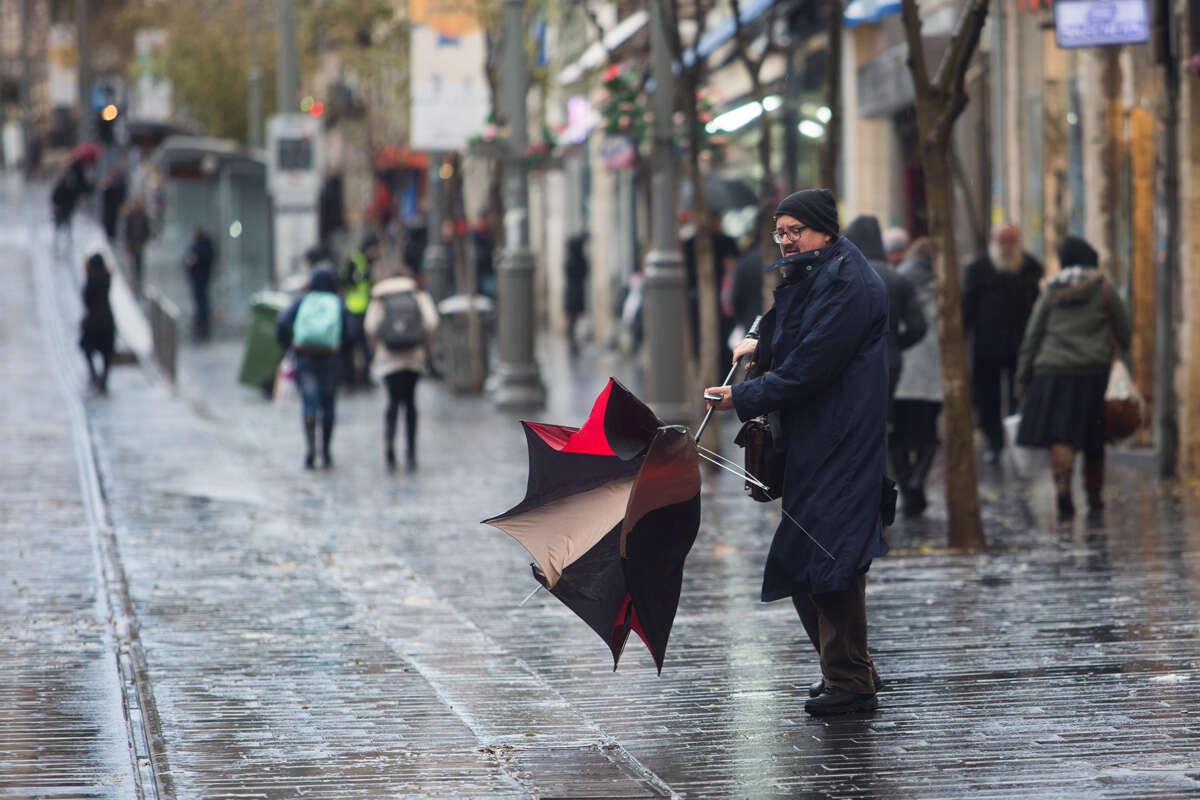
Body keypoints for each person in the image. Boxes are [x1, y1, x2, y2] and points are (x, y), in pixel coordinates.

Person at [705, 188, 892, 717]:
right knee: (810, 555)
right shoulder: (820, 270)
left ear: (825, 230)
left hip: (841, 439)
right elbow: (796, 335)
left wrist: (743, 396)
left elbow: (812, 365)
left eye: (795, 231)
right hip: (816, 437)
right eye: (780, 232)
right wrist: (760, 348)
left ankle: (850, 679)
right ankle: (848, 669)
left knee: (827, 557)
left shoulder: (848, 283)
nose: (785, 241)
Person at [1016, 237, 1131, 520]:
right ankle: (1094, 495)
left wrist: (1024, 375)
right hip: (1094, 372)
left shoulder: (1050, 291)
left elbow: (1033, 335)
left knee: (1061, 435)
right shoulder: (1103, 288)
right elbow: (1124, 327)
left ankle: (1063, 488)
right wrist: (1117, 353)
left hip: (1053, 373)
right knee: (1094, 437)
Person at [962, 224, 1043, 464]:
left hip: (1021, 345)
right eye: (1003, 241)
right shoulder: (977, 268)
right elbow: (968, 306)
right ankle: (994, 442)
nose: (1007, 246)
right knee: (987, 397)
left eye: (1011, 241)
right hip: (986, 345)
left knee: (1021, 393)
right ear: (993, 241)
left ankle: (1019, 441)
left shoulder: (1031, 267)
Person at [276, 265, 355, 469]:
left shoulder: (302, 300)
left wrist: (289, 345)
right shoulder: (337, 302)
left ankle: (311, 448)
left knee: (309, 402)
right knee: (328, 403)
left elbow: (282, 323)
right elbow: (351, 331)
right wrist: (341, 350)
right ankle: (326, 451)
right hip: (331, 358)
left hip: (305, 357)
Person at [364, 266, 439, 471]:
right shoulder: (418, 295)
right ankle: (411, 451)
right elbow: (432, 322)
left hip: (388, 358)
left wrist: (378, 345)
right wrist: (424, 343)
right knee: (410, 402)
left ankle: (389, 445)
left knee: (393, 401)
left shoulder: (380, 297)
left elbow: (370, 327)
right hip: (414, 357)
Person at [844, 215, 926, 400]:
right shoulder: (898, 278)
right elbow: (918, 327)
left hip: (853, 362)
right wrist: (895, 343)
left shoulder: (845, 277)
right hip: (889, 360)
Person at [891, 238, 941, 515]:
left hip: (902, 372)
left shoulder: (895, 280)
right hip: (933, 373)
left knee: (897, 434)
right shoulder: (942, 285)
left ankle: (907, 483)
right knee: (928, 433)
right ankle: (917, 479)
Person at [683, 211, 740, 372]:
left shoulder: (726, 242)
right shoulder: (691, 244)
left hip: (722, 301)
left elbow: (733, 269)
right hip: (701, 301)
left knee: (723, 344)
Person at [339, 234, 378, 387]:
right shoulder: (355, 261)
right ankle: (350, 378)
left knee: (365, 345)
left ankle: (363, 377)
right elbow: (344, 281)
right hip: (353, 309)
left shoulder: (368, 262)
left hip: (365, 308)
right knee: (352, 344)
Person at [79, 253, 116, 394]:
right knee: (107, 352)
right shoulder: (107, 278)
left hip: (93, 321)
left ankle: (93, 375)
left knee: (87, 348)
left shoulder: (91, 279)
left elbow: (86, 298)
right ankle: (104, 378)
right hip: (107, 319)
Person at [183, 228, 215, 341]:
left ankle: (202, 320)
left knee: (202, 300)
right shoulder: (200, 246)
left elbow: (203, 259)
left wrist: (195, 260)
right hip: (198, 278)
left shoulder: (203, 247)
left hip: (201, 278)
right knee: (200, 300)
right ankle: (201, 319)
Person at [563, 233, 589, 355]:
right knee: (573, 320)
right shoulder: (576, 261)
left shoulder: (571, 261)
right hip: (575, 294)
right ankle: (573, 343)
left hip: (573, 294)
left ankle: (573, 343)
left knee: (573, 320)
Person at [122, 196, 152, 297]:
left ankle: (138, 279)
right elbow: (127, 230)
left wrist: (146, 239)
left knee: (139, 260)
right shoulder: (130, 215)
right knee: (133, 261)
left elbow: (147, 228)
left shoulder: (143, 215)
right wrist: (127, 242)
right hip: (132, 242)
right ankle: (134, 279)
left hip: (139, 242)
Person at [100, 163, 128, 240]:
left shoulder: (121, 181)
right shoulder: (109, 183)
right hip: (109, 209)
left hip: (116, 207)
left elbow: (122, 194)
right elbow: (104, 197)